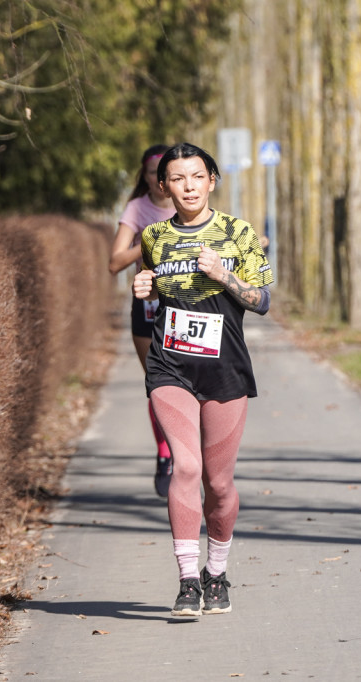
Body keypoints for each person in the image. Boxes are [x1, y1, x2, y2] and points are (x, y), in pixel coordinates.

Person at [132, 142, 273, 617]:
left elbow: (262, 300)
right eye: (177, 178)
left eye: (197, 176)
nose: (188, 186)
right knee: (185, 468)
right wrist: (142, 287)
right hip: (170, 364)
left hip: (224, 367)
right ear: (163, 185)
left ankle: (217, 572)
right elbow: (146, 280)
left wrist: (224, 276)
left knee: (218, 483)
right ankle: (188, 581)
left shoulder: (237, 232)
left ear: (211, 180)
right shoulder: (153, 236)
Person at [109, 145, 176, 497]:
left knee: (188, 383)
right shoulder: (137, 209)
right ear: (145, 176)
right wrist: (149, 238)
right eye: (152, 171)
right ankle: (166, 453)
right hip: (147, 307)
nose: (159, 178)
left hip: (184, 307)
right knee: (159, 382)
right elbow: (114, 263)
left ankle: (187, 451)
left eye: (165, 171)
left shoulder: (190, 203)